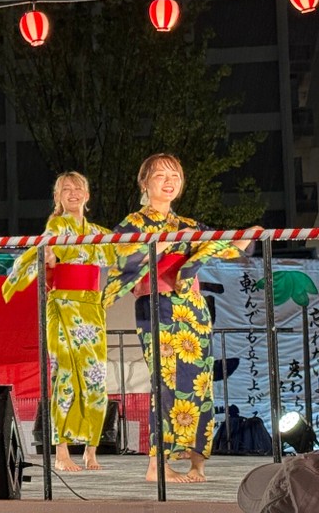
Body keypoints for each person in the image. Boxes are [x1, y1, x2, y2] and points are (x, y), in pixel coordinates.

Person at [104, 153, 261, 483]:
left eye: (175, 175)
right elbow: (121, 258)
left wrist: (247, 234)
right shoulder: (133, 224)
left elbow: (225, 245)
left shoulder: (189, 225)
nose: (169, 181)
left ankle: (196, 461)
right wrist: (162, 244)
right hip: (157, 304)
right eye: (160, 175)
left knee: (200, 382)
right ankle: (156, 464)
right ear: (144, 183)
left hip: (192, 308)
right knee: (167, 382)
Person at [2, 172, 114, 472]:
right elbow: (49, 254)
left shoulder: (99, 233)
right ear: (57, 197)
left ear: (87, 195)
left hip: (92, 307)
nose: (73, 193)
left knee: (95, 378)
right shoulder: (56, 227)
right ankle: (61, 452)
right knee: (63, 375)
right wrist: (47, 255)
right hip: (62, 304)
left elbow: (121, 253)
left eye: (78, 188)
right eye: (66, 189)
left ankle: (91, 449)